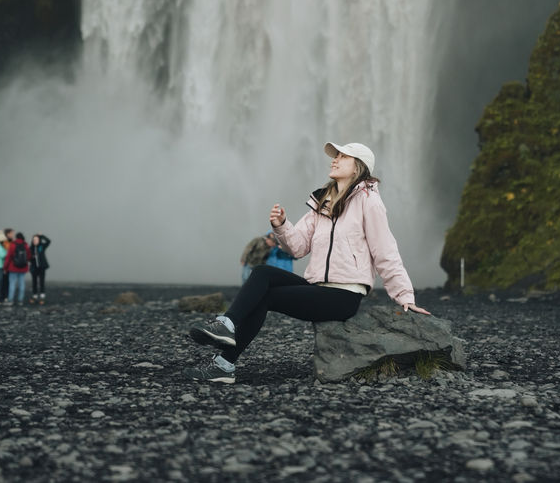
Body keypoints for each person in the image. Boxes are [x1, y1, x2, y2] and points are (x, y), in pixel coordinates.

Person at [185, 141, 431, 383]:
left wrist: (404, 296)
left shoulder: (369, 200)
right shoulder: (323, 201)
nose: (334, 160)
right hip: (318, 288)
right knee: (262, 273)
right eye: (335, 156)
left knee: (266, 296)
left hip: (343, 295)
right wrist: (281, 225)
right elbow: (298, 246)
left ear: (358, 167)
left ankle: (223, 363)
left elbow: (385, 250)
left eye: (342, 156)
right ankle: (226, 329)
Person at [3, 231, 30, 306]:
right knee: (22, 284)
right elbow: (29, 256)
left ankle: (10, 300)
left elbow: (8, 257)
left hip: (13, 267)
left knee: (12, 284)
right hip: (23, 268)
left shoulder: (13, 245)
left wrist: (5, 268)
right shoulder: (26, 245)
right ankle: (20, 300)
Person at [29, 233, 51, 304]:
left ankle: (42, 297)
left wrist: (42, 236)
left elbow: (48, 241)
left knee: (42, 282)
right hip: (34, 267)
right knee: (34, 282)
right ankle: (34, 296)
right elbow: (28, 257)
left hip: (42, 267)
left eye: (36, 239)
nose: (35, 241)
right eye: (34, 239)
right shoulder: (31, 248)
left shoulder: (42, 246)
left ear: (39, 240)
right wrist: (32, 257)